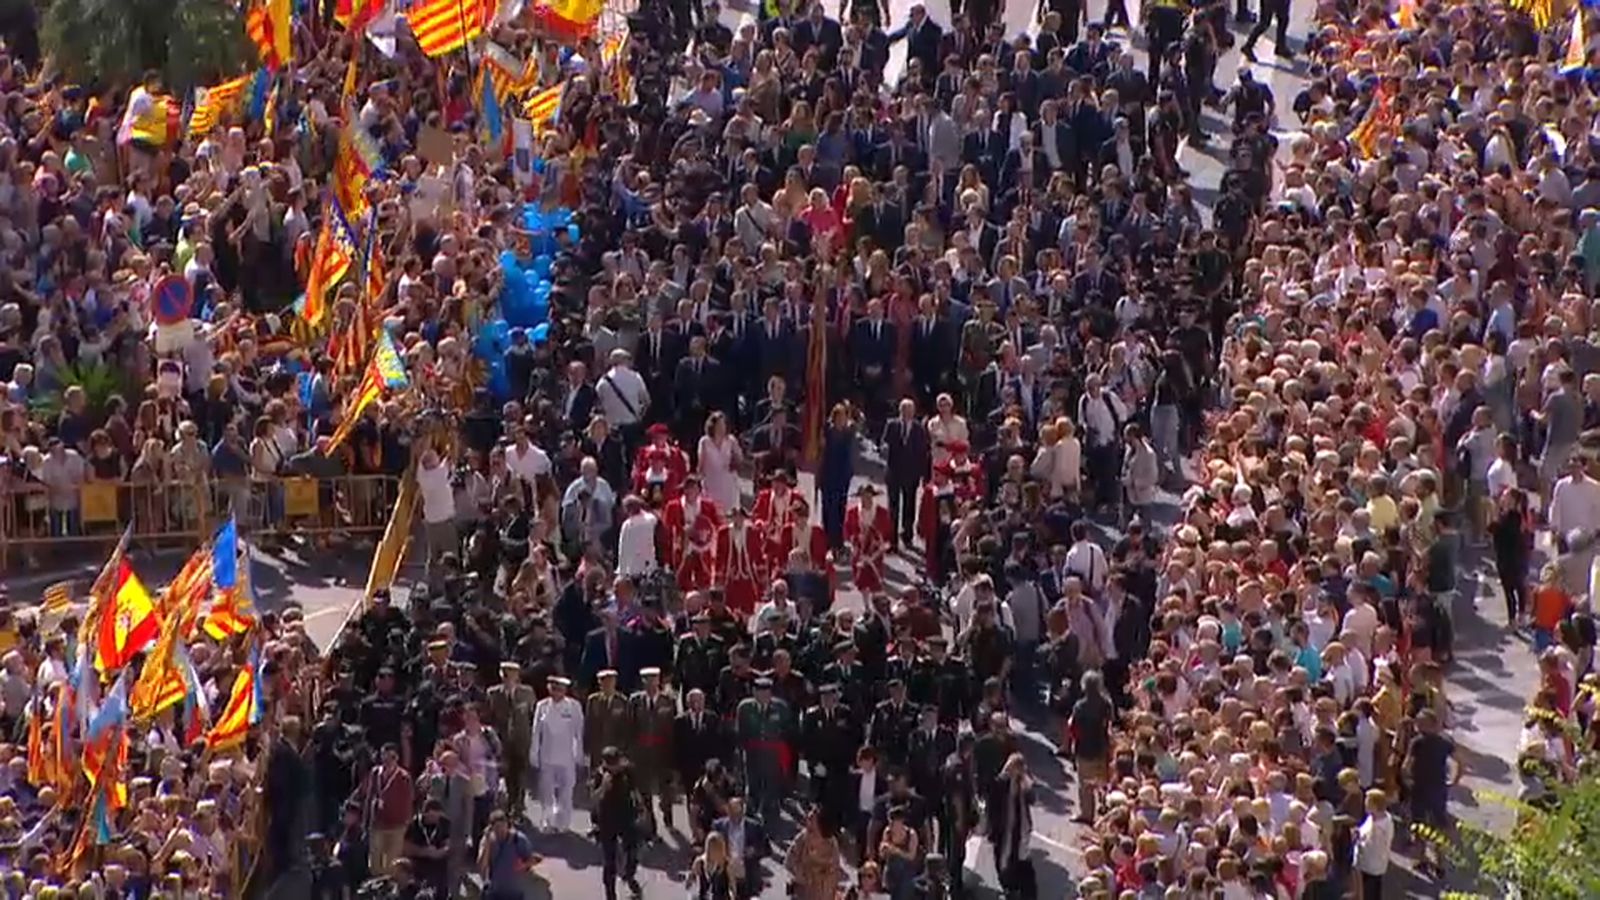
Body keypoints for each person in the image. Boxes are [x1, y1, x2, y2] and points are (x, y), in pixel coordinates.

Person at [530, 675, 586, 832]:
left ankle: (563, 823)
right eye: (553, 689)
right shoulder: (542, 706)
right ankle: (548, 821)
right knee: (546, 792)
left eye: (560, 689)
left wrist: (579, 754)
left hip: (567, 756)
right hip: (547, 755)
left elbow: (578, 733)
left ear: (565, 690)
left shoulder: (573, 706)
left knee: (566, 792)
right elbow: (536, 731)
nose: (556, 692)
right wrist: (534, 752)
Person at [593, 747, 645, 900]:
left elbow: (635, 791)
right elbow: (593, 798)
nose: (614, 768)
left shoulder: (627, 771)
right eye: (611, 764)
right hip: (607, 819)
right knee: (609, 860)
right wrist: (603, 787)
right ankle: (610, 894)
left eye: (616, 763)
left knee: (633, 849)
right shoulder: (600, 774)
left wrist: (642, 809)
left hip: (626, 815)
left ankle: (629, 875)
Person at [984, 753, 1036, 899]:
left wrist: (1026, 781)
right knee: (1004, 862)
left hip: (1019, 829)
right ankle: (1009, 888)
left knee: (1022, 864)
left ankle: (1020, 891)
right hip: (1004, 830)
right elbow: (992, 808)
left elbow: (1032, 799)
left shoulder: (1023, 783)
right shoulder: (999, 784)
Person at [713, 794, 770, 898]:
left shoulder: (755, 827)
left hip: (747, 876)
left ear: (743, 812)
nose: (734, 816)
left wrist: (754, 850)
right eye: (732, 812)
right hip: (725, 875)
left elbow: (766, 849)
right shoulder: (718, 826)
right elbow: (711, 847)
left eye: (737, 812)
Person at [785, 806, 845, 900]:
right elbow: (789, 862)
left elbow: (836, 873)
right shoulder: (802, 839)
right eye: (808, 819)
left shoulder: (832, 846)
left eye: (812, 821)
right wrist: (805, 875)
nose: (808, 823)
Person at [477, 809, 539, 900]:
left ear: (507, 825)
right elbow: (481, 866)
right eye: (497, 827)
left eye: (503, 826)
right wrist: (487, 843)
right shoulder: (488, 841)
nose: (501, 830)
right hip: (494, 893)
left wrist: (523, 865)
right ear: (492, 828)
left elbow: (534, 859)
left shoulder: (518, 839)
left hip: (514, 893)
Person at [688, 831, 738, 900]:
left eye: (716, 849)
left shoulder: (727, 865)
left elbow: (732, 886)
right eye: (711, 848)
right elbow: (691, 880)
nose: (714, 851)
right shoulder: (700, 862)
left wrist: (732, 895)